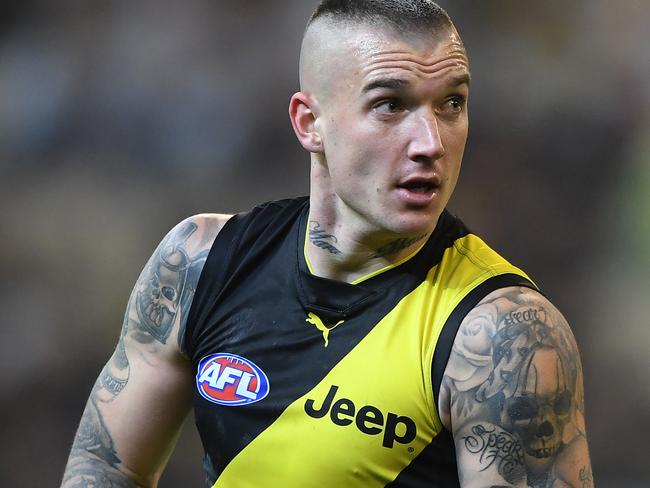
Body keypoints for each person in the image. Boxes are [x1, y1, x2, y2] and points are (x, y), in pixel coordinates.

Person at [61, 1, 594, 487]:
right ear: (309, 123)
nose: (431, 142)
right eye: (390, 105)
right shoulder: (201, 264)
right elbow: (110, 467)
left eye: (452, 103)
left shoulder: (502, 335)